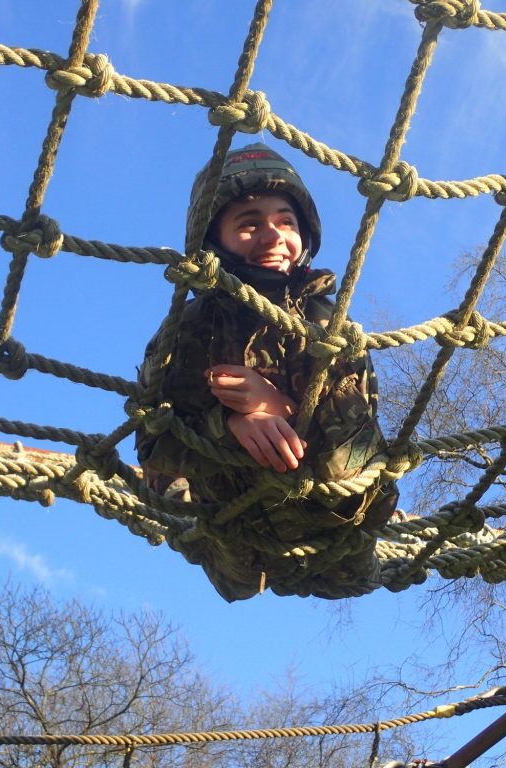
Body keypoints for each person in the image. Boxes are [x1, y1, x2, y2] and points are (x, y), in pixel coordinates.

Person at [136, 143, 398, 601]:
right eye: (249, 223)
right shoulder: (191, 328)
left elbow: (360, 446)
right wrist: (228, 425)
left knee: (357, 574)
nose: (274, 235)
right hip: (239, 538)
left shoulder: (329, 326)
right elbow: (153, 442)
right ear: (213, 239)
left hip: (335, 528)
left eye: (286, 221)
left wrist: (277, 407)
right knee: (206, 542)